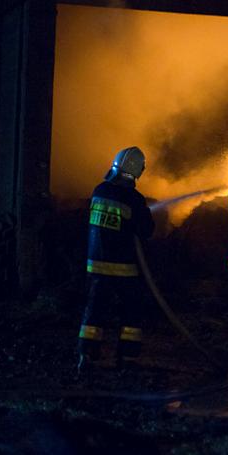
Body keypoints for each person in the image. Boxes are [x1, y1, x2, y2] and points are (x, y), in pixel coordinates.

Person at [77, 146, 154, 374]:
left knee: (94, 311)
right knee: (132, 311)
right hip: (124, 269)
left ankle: (85, 356)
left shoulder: (99, 191)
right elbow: (146, 230)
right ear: (138, 171)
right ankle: (127, 358)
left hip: (96, 265)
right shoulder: (134, 199)